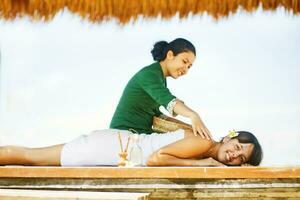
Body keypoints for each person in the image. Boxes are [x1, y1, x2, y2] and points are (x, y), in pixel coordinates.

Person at [110, 38, 212, 140]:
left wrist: (188, 128)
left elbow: (156, 115)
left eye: (189, 67)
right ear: (170, 55)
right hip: (124, 135)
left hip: (141, 134)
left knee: (191, 139)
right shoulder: (149, 74)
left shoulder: (160, 78)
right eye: (184, 62)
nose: (185, 70)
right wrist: (193, 115)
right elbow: (169, 101)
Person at [0, 129, 262, 166]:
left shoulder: (204, 146)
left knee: (31, 155)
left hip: (116, 147)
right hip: (113, 148)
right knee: (32, 158)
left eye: (241, 157)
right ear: (229, 137)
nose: (234, 154)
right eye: (238, 146)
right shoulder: (203, 142)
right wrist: (204, 165)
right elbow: (156, 160)